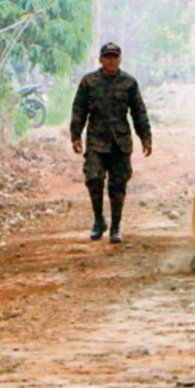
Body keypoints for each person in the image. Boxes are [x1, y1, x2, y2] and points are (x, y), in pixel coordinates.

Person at [70, 42, 153, 244]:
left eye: (114, 57)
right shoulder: (89, 82)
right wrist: (75, 135)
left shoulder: (129, 83)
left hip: (120, 142)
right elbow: (79, 109)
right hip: (97, 141)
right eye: (107, 57)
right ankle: (99, 221)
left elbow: (138, 112)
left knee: (118, 185)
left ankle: (115, 227)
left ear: (120, 59)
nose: (111, 61)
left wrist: (145, 137)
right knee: (93, 178)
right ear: (100, 59)